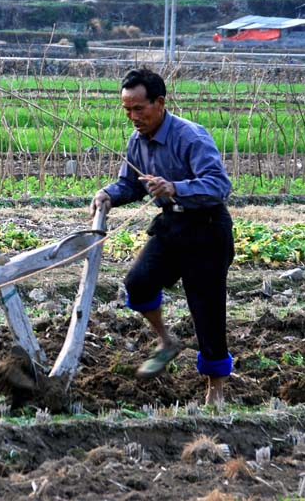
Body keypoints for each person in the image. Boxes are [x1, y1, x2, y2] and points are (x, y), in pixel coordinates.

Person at [90, 68, 234, 406]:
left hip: (207, 230)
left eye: (139, 109)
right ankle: (166, 340)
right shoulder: (136, 141)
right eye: (126, 110)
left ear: (160, 103)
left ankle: (216, 390)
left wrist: (174, 187)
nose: (133, 117)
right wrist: (108, 195)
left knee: (207, 310)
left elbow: (218, 185)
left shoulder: (191, 137)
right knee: (138, 284)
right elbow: (129, 184)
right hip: (171, 228)